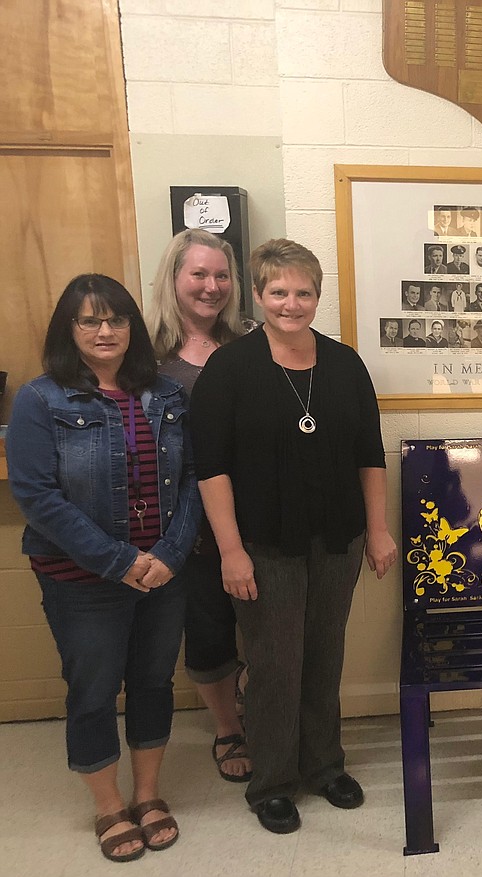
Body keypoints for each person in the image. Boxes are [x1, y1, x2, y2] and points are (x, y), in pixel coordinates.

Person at [190, 239, 397, 835]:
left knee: (324, 657)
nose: (291, 302)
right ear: (257, 295)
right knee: (275, 663)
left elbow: (368, 454)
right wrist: (230, 549)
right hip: (262, 544)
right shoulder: (229, 370)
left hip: (338, 539)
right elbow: (212, 468)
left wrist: (378, 530)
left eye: (303, 291)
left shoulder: (345, 364)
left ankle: (324, 765)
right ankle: (273, 781)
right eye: (278, 291)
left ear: (318, 296)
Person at [7, 274, 201, 862]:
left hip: (163, 575)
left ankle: (147, 795)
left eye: (116, 319)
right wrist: (119, 561)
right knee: (92, 691)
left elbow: (195, 477)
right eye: (88, 320)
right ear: (69, 330)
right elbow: (37, 496)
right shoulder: (41, 400)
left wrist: (168, 554)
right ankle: (107, 806)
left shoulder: (166, 394)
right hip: (82, 579)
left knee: (152, 681)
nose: (104, 331)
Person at [147, 229, 255, 784]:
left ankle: (266, 713)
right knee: (208, 627)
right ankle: (227, 728)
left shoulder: (253, 345)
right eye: (199, 274)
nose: (212, 287)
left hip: (254, 515)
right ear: (174, 279)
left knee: (264, 626)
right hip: (185, 525)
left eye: (221, 276)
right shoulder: (147, 358)